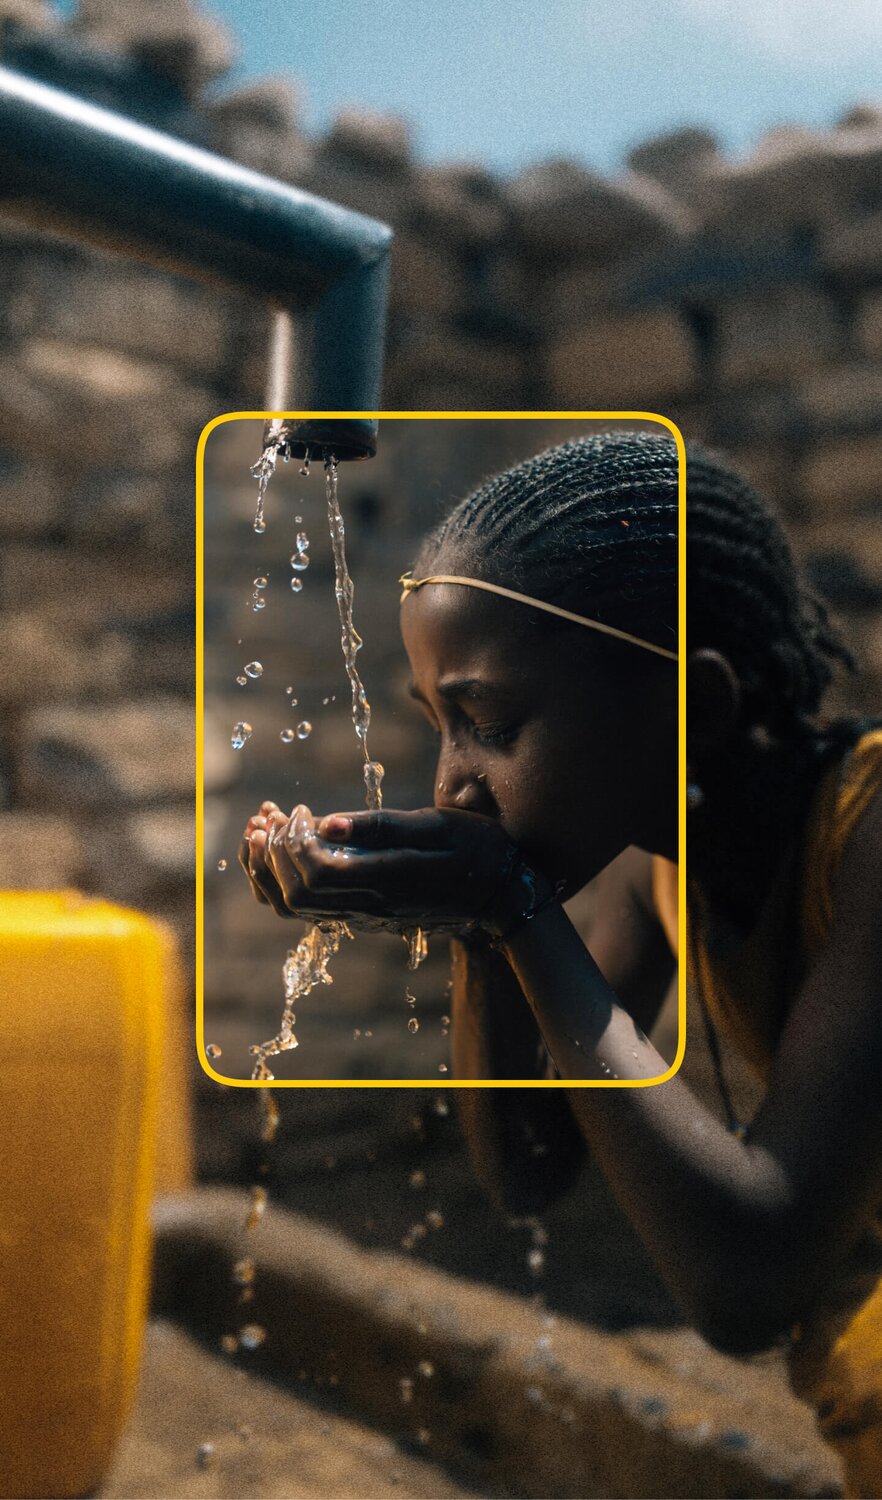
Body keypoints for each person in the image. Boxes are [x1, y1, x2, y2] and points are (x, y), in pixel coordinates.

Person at [239, 431, 882, 1496]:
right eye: (438, 724)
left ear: (694, 708)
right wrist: (485, 929)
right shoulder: (661, 866)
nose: (450, 784)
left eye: (486, 723)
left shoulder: (866, 840)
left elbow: (748, 1280)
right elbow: (531, 1167)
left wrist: (516, 906)